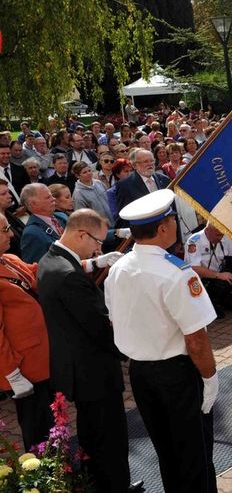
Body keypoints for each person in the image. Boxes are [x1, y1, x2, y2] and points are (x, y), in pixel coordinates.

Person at [105, 189, 218, 492]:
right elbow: (196, 340)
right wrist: (210, 379)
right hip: (178, 374)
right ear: (164, 227)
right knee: (194, 455)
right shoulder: (178, 274)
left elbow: (116, 319)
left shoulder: (117, 269)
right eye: (171, 220)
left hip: (140, 372)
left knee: (166, 451)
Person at [37, 209, 134, 492]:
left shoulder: (52, 259)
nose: (98, 248)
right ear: (82, 234)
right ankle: (115, 486)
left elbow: (74, 268)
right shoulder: (69, 276)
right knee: (109, 436)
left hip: (77, 367)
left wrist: (93, 263)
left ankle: (99, 482)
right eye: (97, 242)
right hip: (93, 371)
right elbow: (101, 328)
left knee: (93, 434)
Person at [0, 213, 53, 450]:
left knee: (52, 420)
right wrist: (12, 374)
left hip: (42, 356)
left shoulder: (8, 258)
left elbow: (39, 273)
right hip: (24, 366)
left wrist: (86, 262)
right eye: (4, 230)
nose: (10, 234)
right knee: (37, 429)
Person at [184, 223, 232, 317]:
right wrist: (219, 275)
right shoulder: (194, 241)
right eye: (217, 235)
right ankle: (209, 302)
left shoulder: (224, 237)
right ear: (207, 230)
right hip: (201, 281)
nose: (220, 238)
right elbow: (194, 268)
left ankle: (216, 301)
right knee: (217, 315)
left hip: (218, 279)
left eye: (221, 235)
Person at [114, 149, 171, 226]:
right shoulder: (125, 185)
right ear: (134, 165)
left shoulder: (164, 179)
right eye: (145, 161)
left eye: (152, 161)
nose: (150, 164)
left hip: (166, 227)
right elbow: (123, 215)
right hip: (144, 231)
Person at [20, 183, 68, 263]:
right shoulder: (31, 233)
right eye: (48, 197)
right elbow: (37, 269)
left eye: (52, 196)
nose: (54, 199)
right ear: (33, 204)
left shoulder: (61, 216)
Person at [72, 161, 115, 225]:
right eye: (84, 172)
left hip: (113, 221)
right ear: (77, 175)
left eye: (89, 170)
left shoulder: (99, 183)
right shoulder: (78, 194)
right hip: (99, 227)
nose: (88, 173)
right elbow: (83, 217)